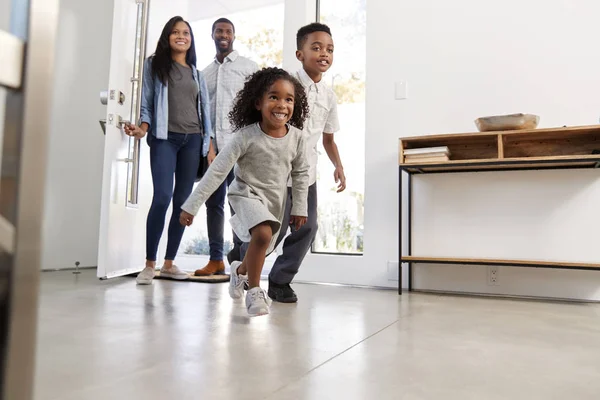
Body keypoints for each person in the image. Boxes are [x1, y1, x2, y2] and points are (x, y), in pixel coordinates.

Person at [179, 68, 310, 316]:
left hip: (274, 201)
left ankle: (239, 273)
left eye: (288, 99)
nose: (281, 104)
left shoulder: (298, 139)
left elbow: (301, 174)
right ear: (258, 102)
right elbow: (217, 171)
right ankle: (255, 292)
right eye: (273, 97)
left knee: (261, 243)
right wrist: (192, 205)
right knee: (261, 234)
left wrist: (300, 207)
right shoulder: (245, 137)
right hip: (245, 194)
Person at [124, 16, 214, 285]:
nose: (181, 36)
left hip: (193, 141)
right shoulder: (154, 65)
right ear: (167, 36)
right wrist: (142, 128)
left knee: (183, 204)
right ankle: (150, 264)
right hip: (165, 138)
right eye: (175, 32)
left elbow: (204, 111)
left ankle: (169, 263)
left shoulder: (197, 73)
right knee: (162, 197)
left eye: (185, 32)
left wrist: (208, 145)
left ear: (191, 39)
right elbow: (147, 102)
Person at [267, 22, 346, 303]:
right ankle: (241, 262)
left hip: (307, 174)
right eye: (316, 47)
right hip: (277, 171)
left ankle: (279, 281)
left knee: (307, 227)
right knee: (270, 233)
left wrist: (338, 165)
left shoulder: (329, 96)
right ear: (300, 54)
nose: (324, 53)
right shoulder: (285, 86)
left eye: (329, 49)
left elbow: (328, 139)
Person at [194, 18, 259, 277]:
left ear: (234, 35)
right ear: (212, 35)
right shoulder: (204, 74)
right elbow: (202, 113)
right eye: (219, 31)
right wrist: (208, 144)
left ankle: (241, 258)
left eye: (228, 31)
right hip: (215, 149)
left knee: (241, 203)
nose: (224, 35)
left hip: (241, 147)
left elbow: (257, 105)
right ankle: (215, 260)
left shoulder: (248, 67)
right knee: (214, 203)